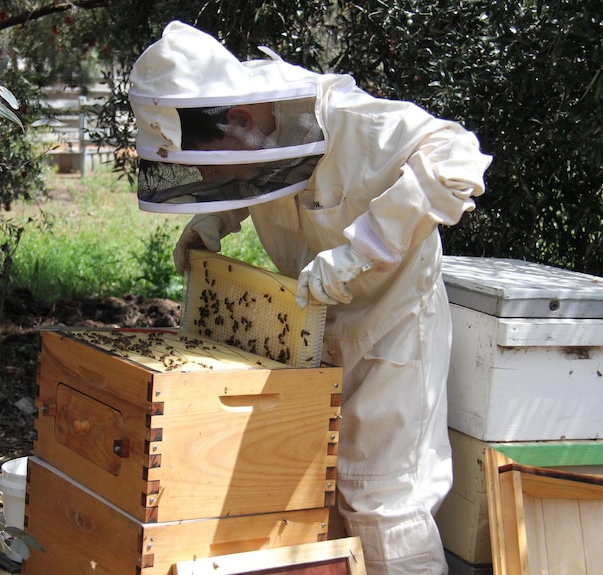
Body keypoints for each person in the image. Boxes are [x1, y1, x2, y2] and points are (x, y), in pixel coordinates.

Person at [128, 21, 491, 575]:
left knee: (382, 499)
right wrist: (215, 216)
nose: (204, 174)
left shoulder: (356, 124)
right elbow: (258, 182)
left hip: (392, 330)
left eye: (205, 161)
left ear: (242, 121)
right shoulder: (255, 132)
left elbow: (459, 159)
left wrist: (362, 247)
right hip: (314, 327)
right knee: (316, 493)